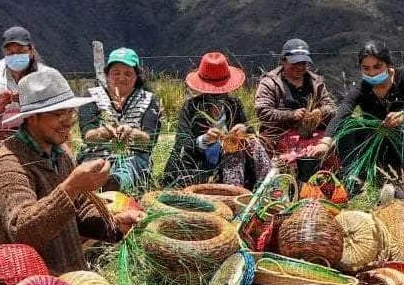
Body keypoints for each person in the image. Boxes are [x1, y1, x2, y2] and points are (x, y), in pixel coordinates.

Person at [0, 67, 143, 273]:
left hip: (71, 275)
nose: (68, 121)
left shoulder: (60, 153)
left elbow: (80, 209)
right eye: (58, 114)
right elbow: (22, 230)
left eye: (70, 112)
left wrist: (114, 225)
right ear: (33, 117)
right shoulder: (10, 163)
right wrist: (71, 187)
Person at [162, 52, 271, 188]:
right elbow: (183, 142)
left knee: (249, 144)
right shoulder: (191, 107)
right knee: (222, 150)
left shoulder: (234, 105)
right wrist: (205, 139)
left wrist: (243, 130)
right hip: (200, 163)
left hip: (233, 161)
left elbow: (249, 129)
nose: (217, 95)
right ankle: (229, 190)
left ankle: (267, 187)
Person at [308, 41, 404, 180]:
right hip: (378, 138)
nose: (372, 73)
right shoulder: (362, 89)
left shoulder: (401, 79)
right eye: (366, 68)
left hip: (400, 137)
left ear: (389, 65)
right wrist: (325, 143)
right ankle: (354, 177)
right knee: (348, 129)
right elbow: (342, 113)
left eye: (377, 67)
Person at [78, 48, 161, 191]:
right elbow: (87, 136)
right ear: (107, 75)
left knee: (128, 168)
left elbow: (150, 141)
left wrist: (131, 133)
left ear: (136, 76)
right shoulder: (92, 97)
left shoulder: (149, 100)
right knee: (93, 168)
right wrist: (105, 132)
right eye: (116, 73)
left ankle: (115, 184)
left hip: (132, 157)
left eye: (128, 73)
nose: (122, 78)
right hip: (96, 156)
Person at [255, 38, 336, 156]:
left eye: (303, 63)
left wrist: (320, 111)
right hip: (279, 138)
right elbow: (263, 112)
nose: (300, 67)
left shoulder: (315, 82)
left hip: (313, 135)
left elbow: (331, 108)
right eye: (295, 63)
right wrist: (291, 115)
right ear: (283, 60)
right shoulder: (270, 83)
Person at [0, 26, 47, 129]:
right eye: (10, 53)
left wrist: (29, 102)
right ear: (4, 53)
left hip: (35, 134)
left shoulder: (44, 76)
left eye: (20, 52)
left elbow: (55, 112)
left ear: (31, 51)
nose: (15, 56)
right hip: (0, 135)